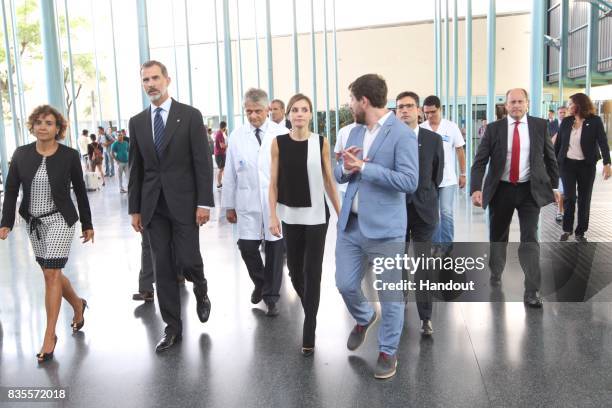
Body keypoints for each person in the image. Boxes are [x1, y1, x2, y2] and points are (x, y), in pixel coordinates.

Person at [334, 74, 418, 379]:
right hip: (351, 226)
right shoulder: (353, 131)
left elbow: (409, 182)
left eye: (351, 100)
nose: (349, 105)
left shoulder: (402, 134)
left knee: (389, 295)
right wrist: (345, 167)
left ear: (364, 101)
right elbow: (340, 173)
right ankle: (364, 316)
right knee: (344, 284)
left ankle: (387, 351)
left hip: (386, 228)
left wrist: (366, 168)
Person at [128, 60, 214, 353]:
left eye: (155, 78)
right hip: (153, 206)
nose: (150, 84)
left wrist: (204, 202)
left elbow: (203, 163)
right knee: (162, 267)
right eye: (145, 80)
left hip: (186, 203)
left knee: (189, 259)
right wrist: (134, 209)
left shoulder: (189, 116)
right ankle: (173, 328)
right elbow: (136, 168)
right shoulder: (138, 122)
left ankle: (200, 288)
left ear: (167, 80)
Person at [0, 105, 94, 362]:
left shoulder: (69, 155)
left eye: (49, 123)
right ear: (32, 126)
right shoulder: (21, 155)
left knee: (52, 273)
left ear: (58, 129)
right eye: (39, 122)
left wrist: (87, 223)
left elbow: (80, 190)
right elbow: (11, 190)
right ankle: (77, 304)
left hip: (61, 219)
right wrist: (5, 221)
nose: (43, 126)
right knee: (51, 272)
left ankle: (50, 335)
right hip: (34, 223)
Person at [471, 88, 560, 308]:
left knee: (530, 238)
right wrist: (476, 188)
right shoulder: (494, 129)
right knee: (498, 235)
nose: (517, 105)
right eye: (512, 102)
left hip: (530, 191)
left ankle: (532, 291)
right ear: (506, 105)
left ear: (527, 104)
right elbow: (480, 161)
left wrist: (555, 186)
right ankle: (496, 270)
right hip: (502, 190)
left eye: (520, 101)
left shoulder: (540, 126)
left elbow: (550, 158)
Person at [269, 93, 340, 356]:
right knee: (295, 272)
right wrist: (272, 216)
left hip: (316, 216)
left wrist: (340, 211)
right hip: (289, 215)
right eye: (295, 110)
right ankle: (311, 307)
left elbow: (329, 180)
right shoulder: (278, 143)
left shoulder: (320, 142)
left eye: (304, 109)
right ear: (288, 114)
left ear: (311, 114)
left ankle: (309, 327)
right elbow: (273, 183)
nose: (299, 114)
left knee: (313, 272)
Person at [222, 88, 286, 316]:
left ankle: (271, 297)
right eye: (248, 111)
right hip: (246, 201)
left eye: (258, 111)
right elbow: (230, 173)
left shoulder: (282, 133)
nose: (253, 116)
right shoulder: (237, 135)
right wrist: (228, 205)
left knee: (275, 249)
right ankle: (260, 282)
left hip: (275, 203)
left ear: (267, 109)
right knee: (247, 247)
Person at [396, 91, 444, 336]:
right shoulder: (390, 139)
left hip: (424, 210)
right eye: (400, 107)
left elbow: (437, 175)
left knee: (423, 264)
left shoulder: (433, 140)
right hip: (397, 210)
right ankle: (402, 296)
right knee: (399, 259)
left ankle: (426, 317)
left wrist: (425, 195)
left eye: (409, 106)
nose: (404, 110)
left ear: (418, 111)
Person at [555, 93, 611, 242]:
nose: (568, 107)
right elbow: (558, 144)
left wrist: (607, 163)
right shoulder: (566, 122)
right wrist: (553, 164)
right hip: (567, 165)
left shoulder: (595, 121)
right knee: (570, 197)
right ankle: (567, 229)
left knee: (584, 199)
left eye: (570, 104)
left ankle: (580, 231)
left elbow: (603, 143)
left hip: (586, 166)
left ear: (579, 104)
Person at [421, 95, 466, 257]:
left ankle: (447, 245)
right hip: (428, 180)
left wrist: (463, 173)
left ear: (440, 109)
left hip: (447, 179)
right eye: (426, 112)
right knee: (432, 213)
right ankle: (435, 244)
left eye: (433, 112)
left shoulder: (451, 127)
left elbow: (460, 150)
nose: (429, 115)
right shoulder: (421, 128)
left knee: (446, 211)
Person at [333, 120, 358, 204]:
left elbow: (338, 155)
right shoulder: (344, 131)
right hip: (346, 187)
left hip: (347, 186)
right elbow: (338, 155)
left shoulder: (344, 130)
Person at [552, 106, 568, 222]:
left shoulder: (572, 125)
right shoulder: (552, 126)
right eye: (560, 113)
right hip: (554, 161)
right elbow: (548, 141)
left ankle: (561, 211)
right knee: (559, 188)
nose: (562, 114)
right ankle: (560, 210)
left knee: (563, 189)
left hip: (568, 162)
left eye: (564, 112)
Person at [214, 121, 227, 188]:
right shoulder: (220, 134)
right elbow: (222, 145)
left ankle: (221, 182)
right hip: (219, 154)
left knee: (222, 168)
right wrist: (228, 146)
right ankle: (218, 184)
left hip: (220, 154)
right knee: (221, 169)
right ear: (224, 127)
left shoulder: (218, 133)